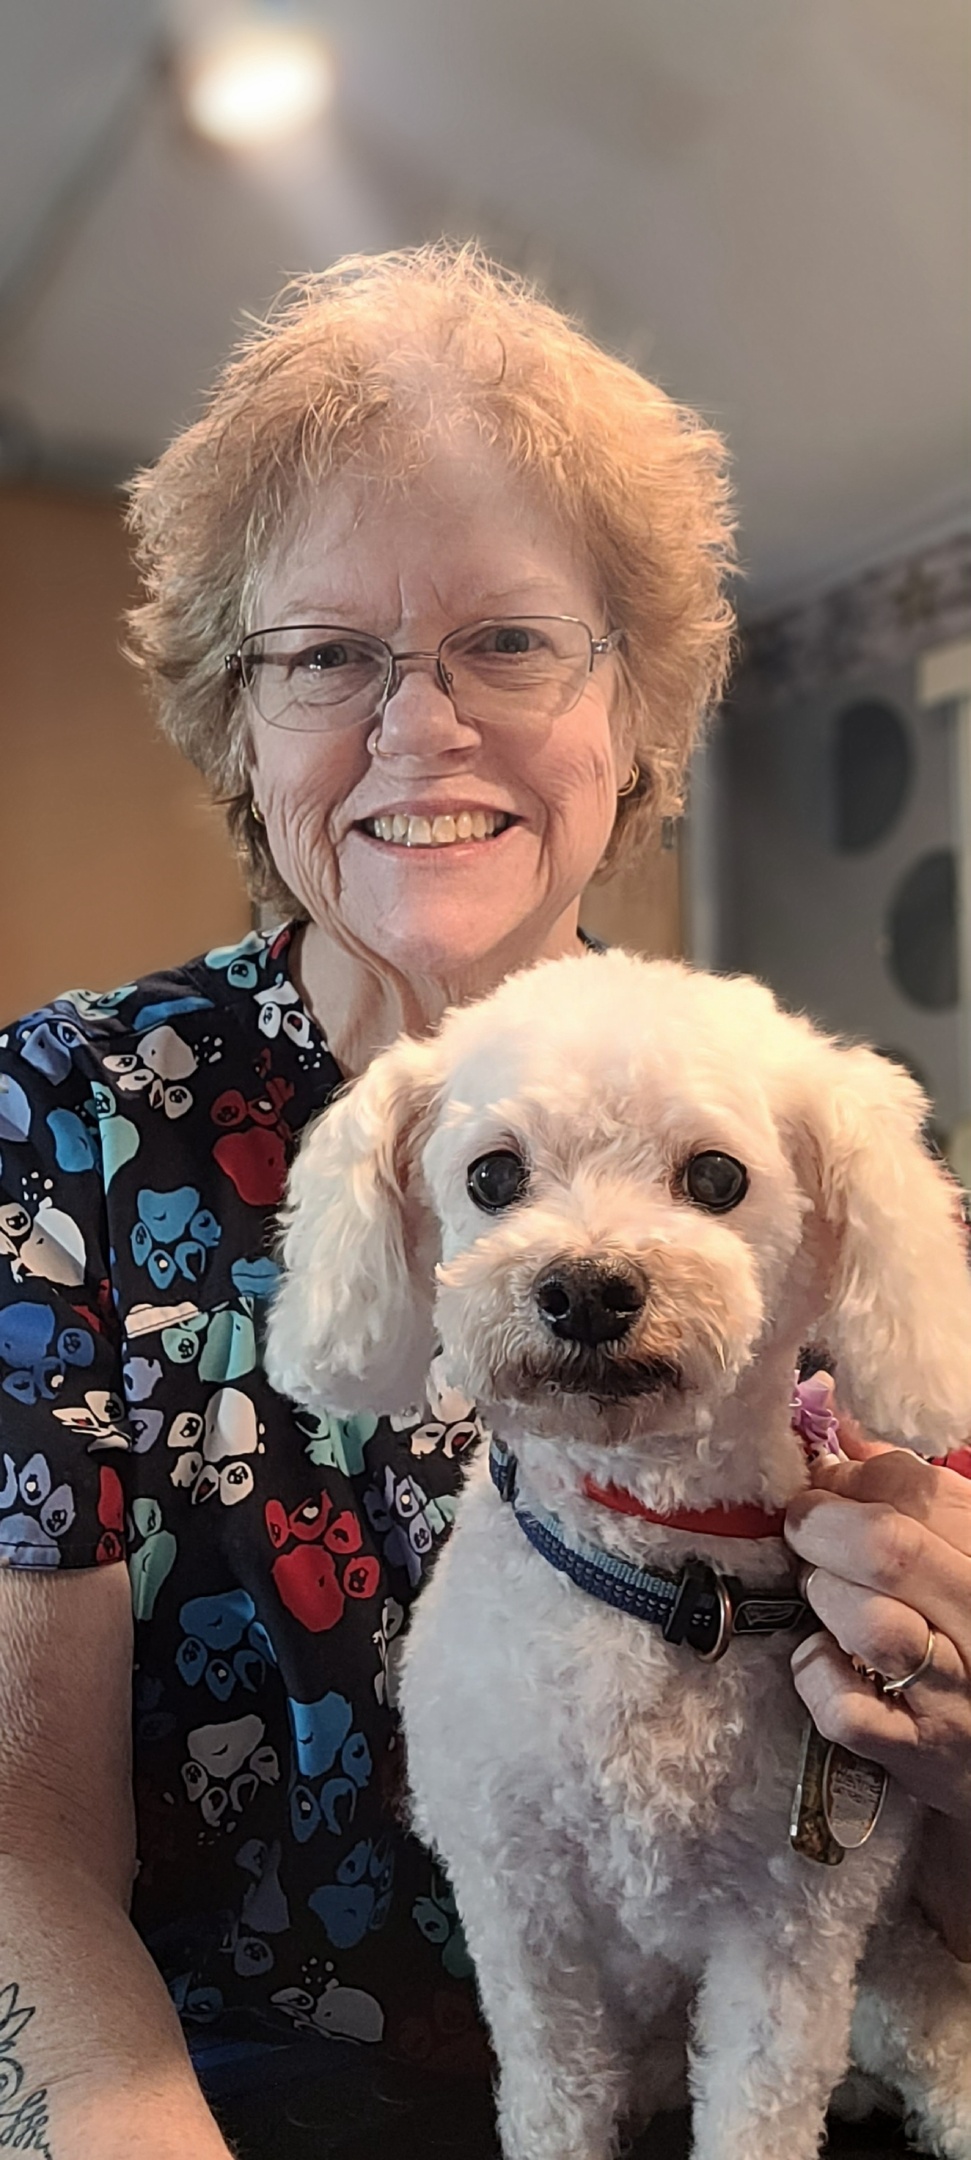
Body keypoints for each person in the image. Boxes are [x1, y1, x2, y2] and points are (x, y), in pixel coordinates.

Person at [0, 242, 966, 2160]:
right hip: (239, 2095)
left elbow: (920, 1863)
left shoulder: (814, 1146)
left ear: (639, 713)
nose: (418, 725)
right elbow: (16, 1836)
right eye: (321, 655)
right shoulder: (64, 1121)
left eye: (509, 641)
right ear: (239, 725)